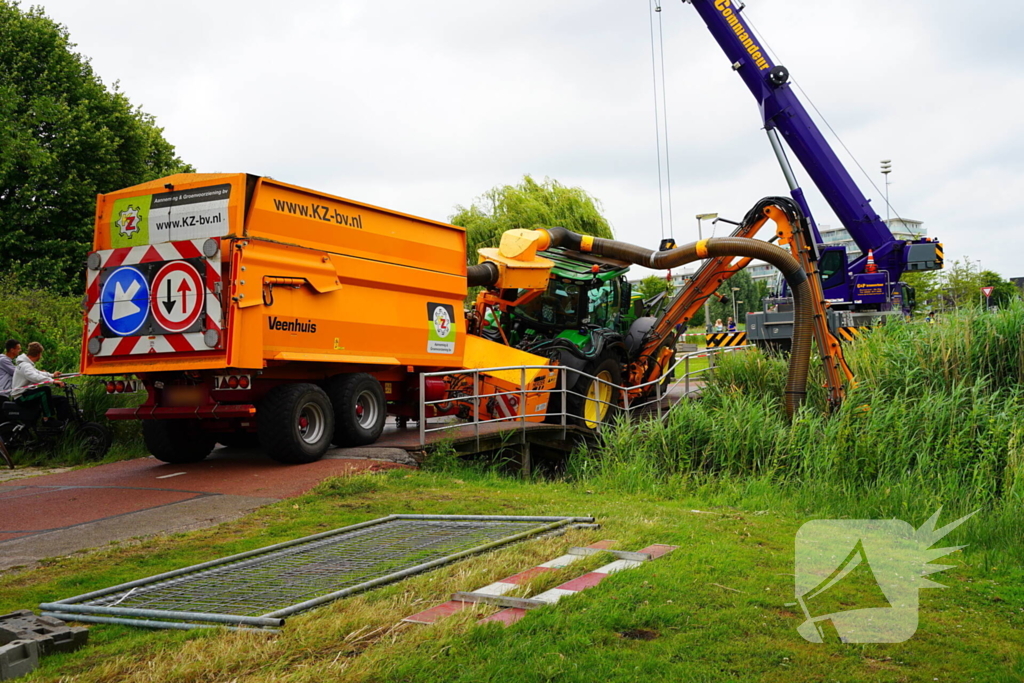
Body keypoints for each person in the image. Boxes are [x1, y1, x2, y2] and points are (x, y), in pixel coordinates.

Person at [11, 342, 66, 422]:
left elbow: (38, 372)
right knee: (45, 390)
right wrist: (53, 381)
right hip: (21, 397)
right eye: (41, 354)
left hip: (27, 394)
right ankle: (47, 419)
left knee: (61, 399)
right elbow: (35, 377)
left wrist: (52, 375)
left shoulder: (27, 364)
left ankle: (63, 422)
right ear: (38, 354)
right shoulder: (25, 365)